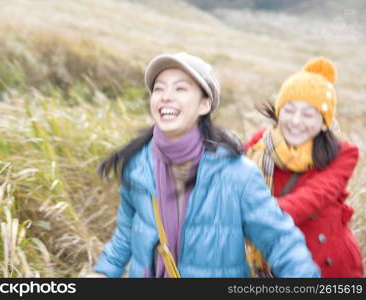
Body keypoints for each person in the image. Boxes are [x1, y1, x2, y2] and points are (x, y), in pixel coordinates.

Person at [93, 52, 320, 278]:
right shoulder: (138, 165)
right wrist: (102, 273)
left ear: (205, 104)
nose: (165, 97)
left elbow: (280, 240)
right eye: (159, 89)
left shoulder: (237, 173)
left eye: (180, 89)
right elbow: (126, 235)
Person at [245, 57, 364, 278]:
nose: (296, 121)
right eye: (289, 110)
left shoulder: (343, 153)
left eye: (308, 114)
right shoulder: (259, 146)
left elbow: (314, 196)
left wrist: (256, 214)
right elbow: (229, 179)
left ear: (323, 122)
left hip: (331, 265)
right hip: (277, 264)